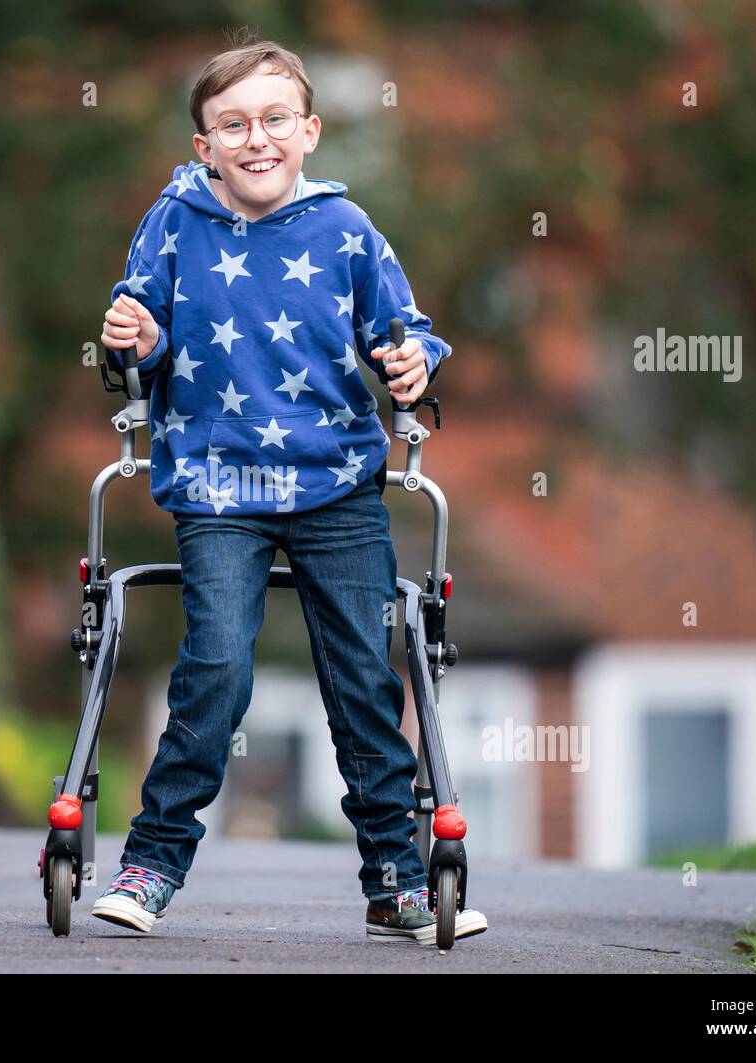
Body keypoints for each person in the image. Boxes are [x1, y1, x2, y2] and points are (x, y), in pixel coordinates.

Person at [91, 36, 487, 945]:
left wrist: (410, 366)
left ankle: (396, 877)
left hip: (335, 484)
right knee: (217, 667)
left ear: (308, 132)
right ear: (205, 145)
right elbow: (138, 342)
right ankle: (151, 864)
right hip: (218, 482)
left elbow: (409, 336)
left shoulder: (347, 231)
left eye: (274, 119)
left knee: (358, 675)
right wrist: (131, 335)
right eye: (232, 123)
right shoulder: (173, 221)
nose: (255, 138)